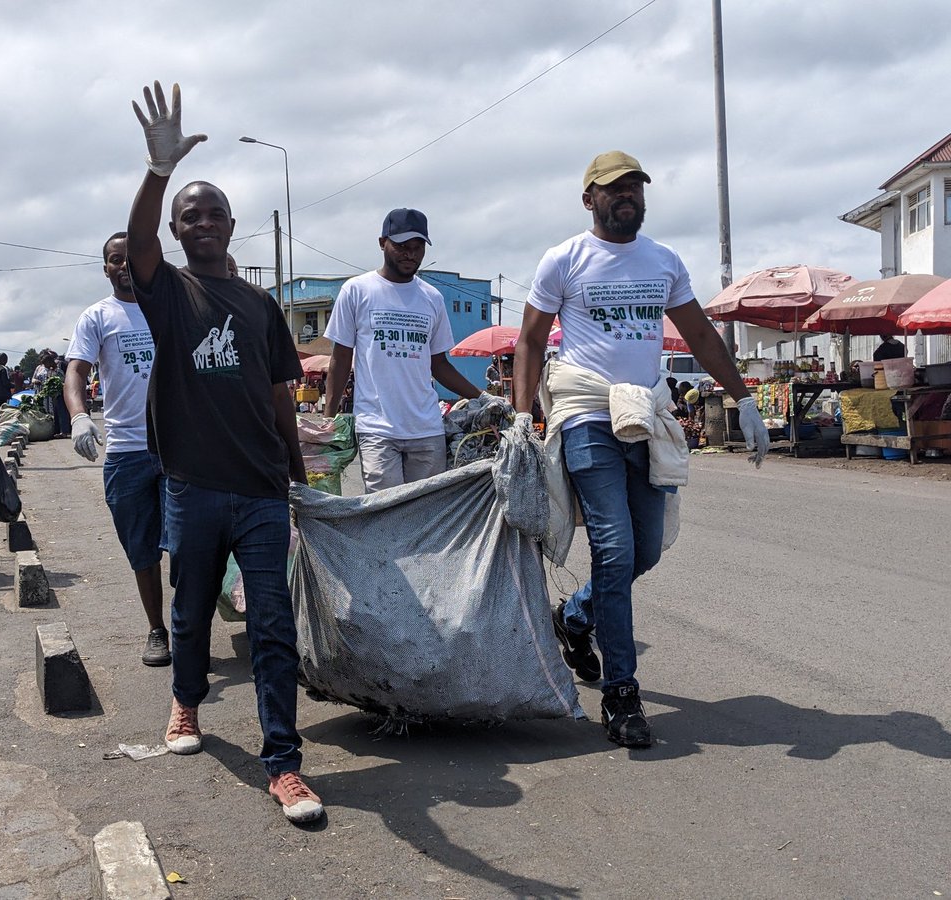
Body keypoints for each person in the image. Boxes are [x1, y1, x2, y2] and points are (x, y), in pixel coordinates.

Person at [512, 150, 770, 748]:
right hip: (584, 414)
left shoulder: (663, 261)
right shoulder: (564, 260)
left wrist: (743, 399)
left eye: (634, 187)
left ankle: (575, 618)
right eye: (613, 188)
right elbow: (528, 339)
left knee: (645, 549)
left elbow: (701, 333)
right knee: (614, 544)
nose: (626, 196)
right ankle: (621, 694)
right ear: (589, 200)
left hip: (645, 413)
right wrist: (524, 418)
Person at [125, 81, 322, 824]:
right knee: (191, 609)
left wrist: (299, 485)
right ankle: (186, 700)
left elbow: (280, 400)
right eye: (189, 215)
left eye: (213, 212)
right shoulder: (168, 290)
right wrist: (158, 170)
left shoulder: (263, 306)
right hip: (193, 485)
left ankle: (285, 765)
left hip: (264, 491)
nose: (202, 221)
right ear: (176, 232)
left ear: (232, 225)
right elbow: (136, 240)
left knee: (273, 623)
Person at [64, 231, 171, 667]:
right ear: (105, 267)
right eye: (115, 260)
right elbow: (76, 371)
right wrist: (77, 416)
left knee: (188, 547)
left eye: (132, 257)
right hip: (127, 452)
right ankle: (157, 630)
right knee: (141, 550)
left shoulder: (169, 306)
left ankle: (190, 625)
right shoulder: (97, 317)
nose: (124, 266)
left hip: (178, 448)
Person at [323, 208, 485, 492]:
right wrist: (328, 419)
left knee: (426, 518)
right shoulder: (357, 291)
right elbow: (341, 359)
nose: (410, 254)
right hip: (376, 429)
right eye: (401, 246)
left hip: (427, 429)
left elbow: (440, 365)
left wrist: (483, 398)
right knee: (385, 515)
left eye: (417, 247)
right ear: (382, 242)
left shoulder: (431, 298)